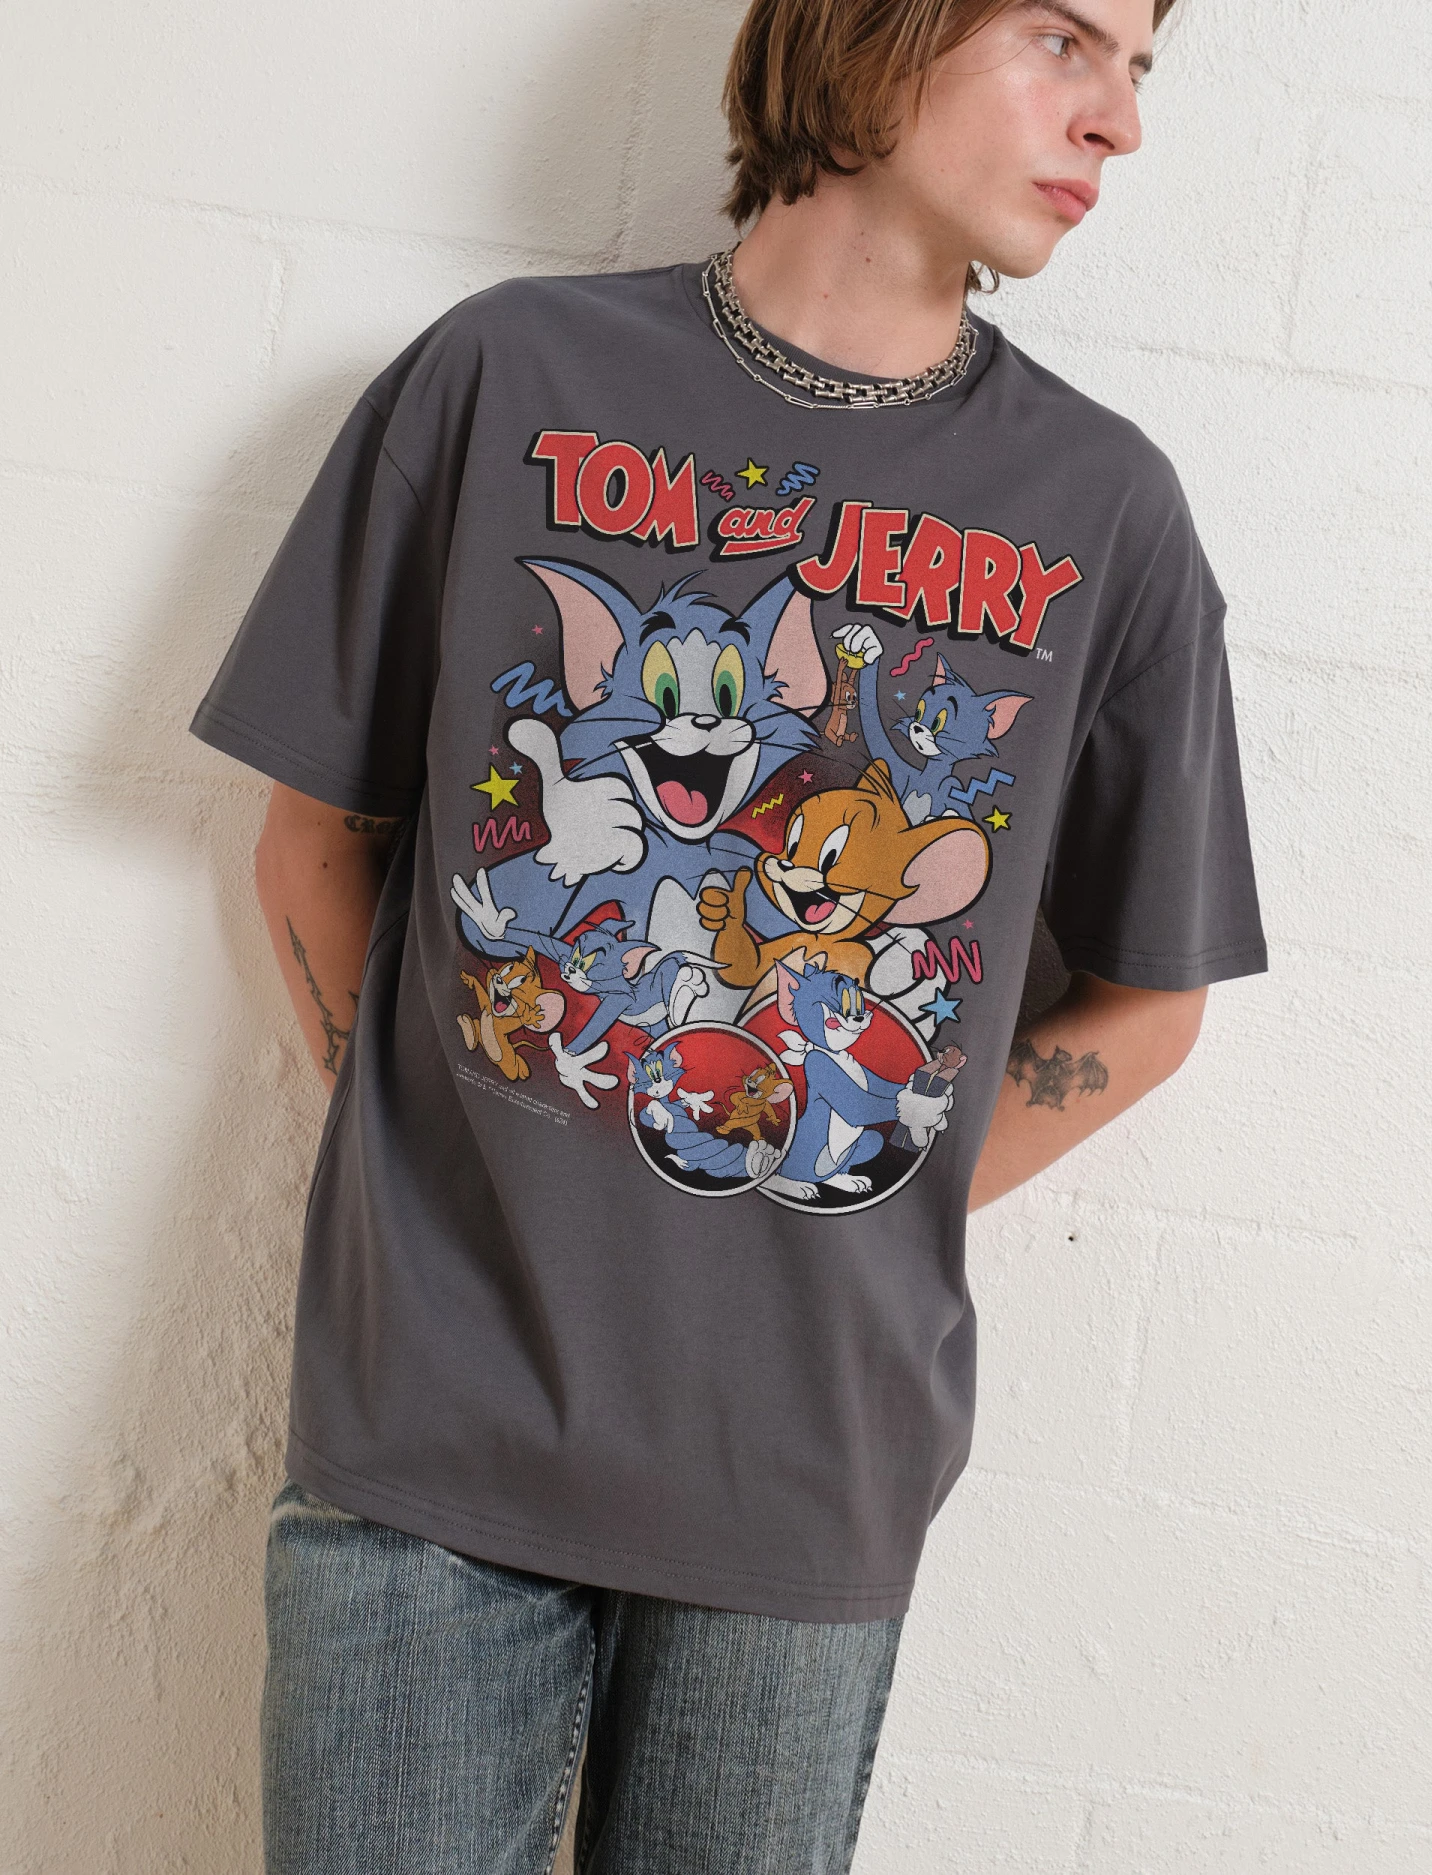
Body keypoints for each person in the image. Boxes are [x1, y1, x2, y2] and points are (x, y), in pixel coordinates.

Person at [191, 0, 1266, 1868]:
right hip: (429, 1437)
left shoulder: (1106, 511)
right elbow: (314, 842)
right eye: (1062, 39)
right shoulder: (507, 374)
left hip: (801, 1477)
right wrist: (460, 1141)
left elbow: (1151, 1000)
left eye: (1140, 66)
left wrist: (848, 1172)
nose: (1118, 122)